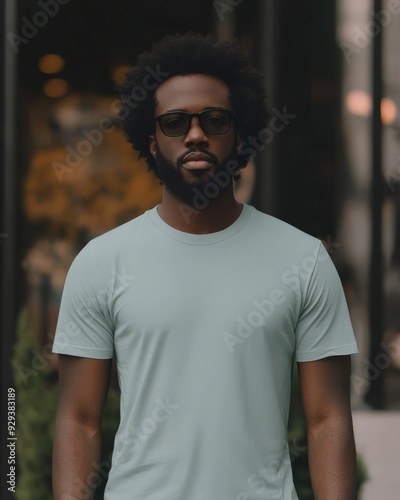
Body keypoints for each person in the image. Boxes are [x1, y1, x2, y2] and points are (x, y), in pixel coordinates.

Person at [52, 32, 359, 500]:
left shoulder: (303, 260)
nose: (195, 135)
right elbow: (78, 419)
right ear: (152, 142)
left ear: (240, 134)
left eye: (214, 120)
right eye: (174, 123)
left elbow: (327, 419)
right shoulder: (102, 262)